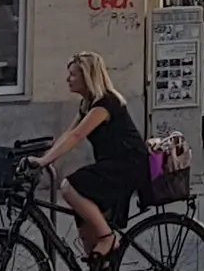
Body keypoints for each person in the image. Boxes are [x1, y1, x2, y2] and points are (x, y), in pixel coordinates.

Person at [26, 53, 150, 266]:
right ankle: (100, 254)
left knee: (69, 187)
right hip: (112, 165)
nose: (68, 79)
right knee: (85, 229)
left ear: (87, 76)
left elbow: (76, 137)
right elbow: (68, 133)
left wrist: (44, 162)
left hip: (128, 165)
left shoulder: (105, 103)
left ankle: (108, 238)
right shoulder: (88, 103)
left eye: (73, 74)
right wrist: (44, 157)